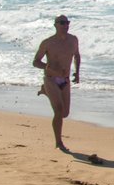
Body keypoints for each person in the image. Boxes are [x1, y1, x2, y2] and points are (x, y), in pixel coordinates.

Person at [33, 15, 82, 151]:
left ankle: (46, 92)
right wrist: (48, 68)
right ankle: (58, 142)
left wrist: (77, 72)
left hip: (65, 80)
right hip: (51, 79)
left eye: (67, 23)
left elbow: (77, 55)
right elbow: (35, 62)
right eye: (62, 23)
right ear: (55, 25)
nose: (65, 25)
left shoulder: (73, 40)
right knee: (58, 111)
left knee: (65, 113)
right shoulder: (48, 42)